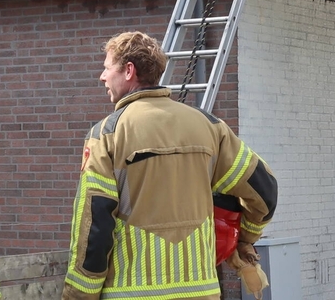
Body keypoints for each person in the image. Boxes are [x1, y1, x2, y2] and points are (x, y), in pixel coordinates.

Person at [62, 31, 278, 300]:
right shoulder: (210, 127)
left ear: (129, 70)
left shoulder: (107, 134)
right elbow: (265, 191)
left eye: (107, 68)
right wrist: (245, 237)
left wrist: (79, 295)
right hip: (202, 293)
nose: (102, 77)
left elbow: (94, 224)